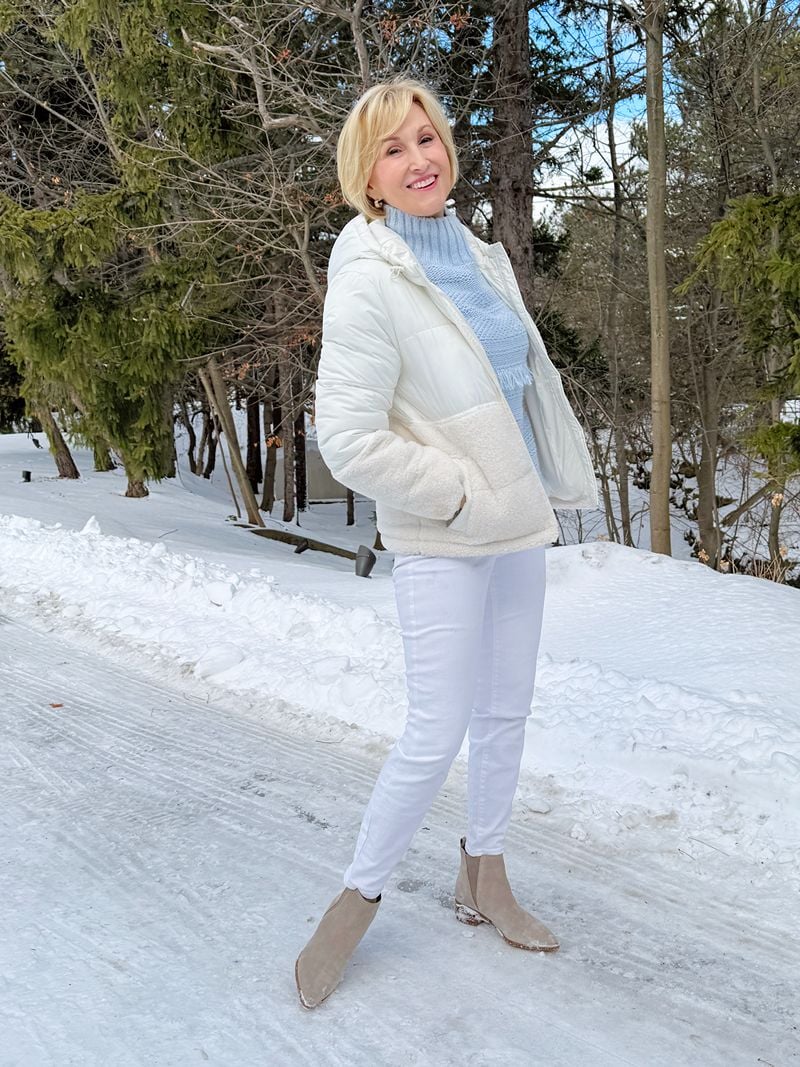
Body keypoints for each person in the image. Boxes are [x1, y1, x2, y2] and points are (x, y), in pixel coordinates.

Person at [294, 77, 597, 1009]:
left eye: (427, 138)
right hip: (445, 532)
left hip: (519, 522)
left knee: (505, 709)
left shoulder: (479, 255)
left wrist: (547, 475)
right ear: (368, 176)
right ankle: (356, 896)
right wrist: (457, 491)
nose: (419, 158)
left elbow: (522, 385)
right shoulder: (369, 279)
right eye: (394, 148)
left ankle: (485, 873)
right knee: (435, 729)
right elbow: (344, 436)